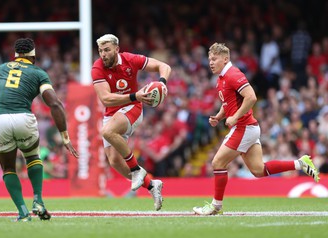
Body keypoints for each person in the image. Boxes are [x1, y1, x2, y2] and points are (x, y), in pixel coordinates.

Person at [193, 43, 320, 215]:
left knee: (217, 163)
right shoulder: (221, 79)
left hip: (244, 127)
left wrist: (235, 117)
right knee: (259, 170)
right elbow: (228, 104)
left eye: (214, 59)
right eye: (209, 59)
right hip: (248, 128)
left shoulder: (233, 74)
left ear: (226, 59)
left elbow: (251, 97)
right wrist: (219, 116)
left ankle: (216, 206)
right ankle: (300, 163)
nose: (211, 62)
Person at [0, 38, 79, 221]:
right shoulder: (38, 72)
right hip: (24, 118)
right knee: (32, 157)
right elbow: (54, 103)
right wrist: (64, 136)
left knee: (8, 168)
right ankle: (38, 200)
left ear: (15, 55)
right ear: (33, 56)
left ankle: (23, 212)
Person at [91, 34, 171, 210]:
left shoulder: (130, 59)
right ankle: (152, 185)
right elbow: (105, 99)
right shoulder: (97, 67)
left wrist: (162, 82)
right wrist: (135, 94)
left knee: (106, 131)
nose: (103, 54)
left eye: (107, 50)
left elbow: (163, 66)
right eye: (100, 51)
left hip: (133, 108)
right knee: (114, 161)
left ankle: (136, 170)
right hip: (113, 111)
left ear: (116, 49)